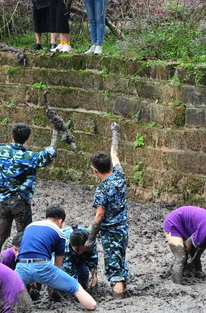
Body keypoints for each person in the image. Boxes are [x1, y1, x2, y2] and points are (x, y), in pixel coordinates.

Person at [0, 122, 59, 261]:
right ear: (27, 138)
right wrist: (55, 134)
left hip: (4, 201)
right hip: (20, 202)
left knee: (0, 236)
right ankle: (23, 267)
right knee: (24, 236)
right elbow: (48, 154)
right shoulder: (28, 156)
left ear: (12, 136)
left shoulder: (0, 151)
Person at [14, 206, 96, 310]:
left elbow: (27, 250)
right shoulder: (60, 233)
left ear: (46, 218)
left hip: (21, 266)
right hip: (42, 265)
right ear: (60, 221)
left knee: (7, 290)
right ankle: (93, 307)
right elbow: (58, 264)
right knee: (77, 288)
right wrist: (55, 282)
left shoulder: (29, 227)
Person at [84, 122, 129, 298]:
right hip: (123, 228)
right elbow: (114, 153)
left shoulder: (102, 189)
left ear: (95, 171)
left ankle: (119, 298)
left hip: (110, 232)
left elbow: (99, 215)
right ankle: (123, 290)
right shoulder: (120, 175)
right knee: (120, 259)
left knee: (114, 268)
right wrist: (115, 133)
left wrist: (90, 239)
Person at [62, 225, 98, 291]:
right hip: (62, 255)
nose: (80, 252)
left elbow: (92, 258)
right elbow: (68, 269)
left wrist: (94, 277)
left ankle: (84, 287)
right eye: (78, 250)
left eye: (83, 249)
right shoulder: (64, 242)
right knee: (66, 279)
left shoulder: (91, 239)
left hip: (82, 255)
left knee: (83, 273)